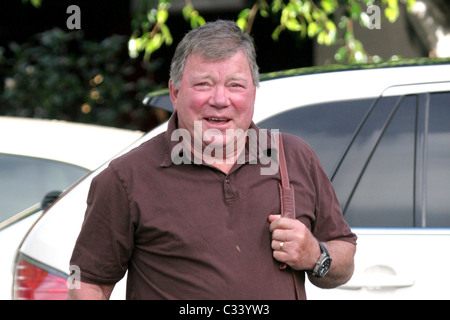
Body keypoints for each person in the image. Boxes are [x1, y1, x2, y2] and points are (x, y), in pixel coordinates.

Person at [67, 20, 356, 300]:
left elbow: (344, 255)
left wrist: (315, 256)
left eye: (235, 85)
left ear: (253, 93)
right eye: (204, 84)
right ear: (175, 92)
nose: (220, 99)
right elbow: (88, 282)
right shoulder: (126, 177)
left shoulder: (294, 157)